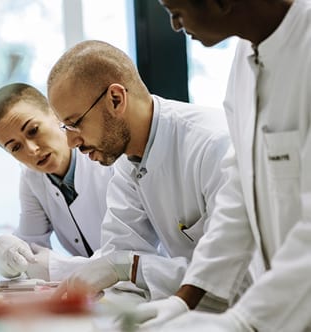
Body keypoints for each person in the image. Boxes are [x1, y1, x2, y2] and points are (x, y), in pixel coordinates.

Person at [133, 0, 311, 331]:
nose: (174, 25)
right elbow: (241, 188)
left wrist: (245, 319)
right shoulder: (244, 62)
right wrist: (185, 299)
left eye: (176, 11)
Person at [46, 40, 252, 311]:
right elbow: (116, 257)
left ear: (116, 99)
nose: (71, 142)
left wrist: (131, 267)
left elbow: (238, 280)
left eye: (75, 124)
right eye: (65, 127)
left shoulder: (213, 145)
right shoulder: (128, 163)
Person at [0, 83, 113, 281]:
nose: (31, 149)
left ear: (55, 113)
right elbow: (31, 249)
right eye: (15, 147)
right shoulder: (31, 178)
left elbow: (129, 259)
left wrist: (59, 268)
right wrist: (7, 253)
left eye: (33, 130)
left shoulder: (107, 158)